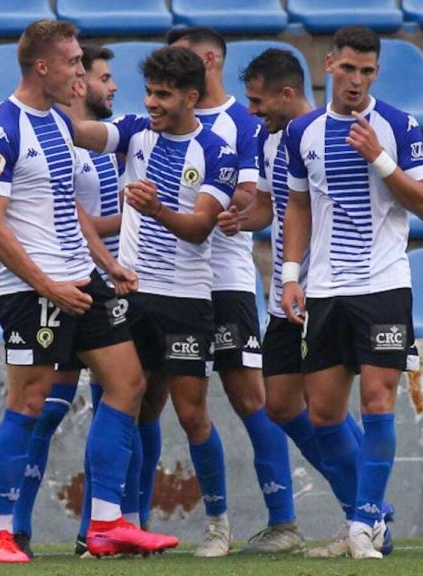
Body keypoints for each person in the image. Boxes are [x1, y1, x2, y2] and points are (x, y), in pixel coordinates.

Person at [0, 21, 178, 563]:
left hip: (80, 280)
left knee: (128, 383)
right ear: (43, 68)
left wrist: (106, 264)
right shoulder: (1, 129)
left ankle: (107, 524)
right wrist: (48, 285)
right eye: (73, 65)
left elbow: (72, 209)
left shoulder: (61, 127)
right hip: (31, 287)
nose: (82, 76)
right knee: (29, 402)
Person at [225, 47, 396, 557]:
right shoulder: (272, 137)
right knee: (281, 404)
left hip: (330, 291)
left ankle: (364, 514)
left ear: (286, 92)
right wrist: (240, 217)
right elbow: (274, 209)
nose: (252, 111)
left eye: (258, 101)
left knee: (328, 407)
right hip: (286, 293)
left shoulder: (327, 134)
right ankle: (368, 509)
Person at [71, 45, 240, 558]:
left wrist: (157, 208)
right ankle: (115, 525)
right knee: (129, 402)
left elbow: (199, 229)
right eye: (148, 92)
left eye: (163, 95)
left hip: (186, 300)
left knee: (191, 415)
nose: (152, 103)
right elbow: (82, 132)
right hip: (133, 293)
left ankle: (217, 523)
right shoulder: (134, 131)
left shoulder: (217, 150)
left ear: (191, 97)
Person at [280, 25, 423, 560]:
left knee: (376, 402)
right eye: (348, 68)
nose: (356, 80)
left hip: (383, 286)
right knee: (322, 414)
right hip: (324, 290)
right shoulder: (302, 131)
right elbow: (297, 206)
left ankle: (366, 523)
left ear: (376, 73)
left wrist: (380, 158)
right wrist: (290, 274)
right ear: (329, 66)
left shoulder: (396, 125)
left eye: (367, 71)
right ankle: (362, 519)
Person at [156, 26, 303, 556]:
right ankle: (212, 525)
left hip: (226, 279)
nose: (176, 70)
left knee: (250, 398)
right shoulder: (162, 116)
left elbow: (253, 199)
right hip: (169, 283)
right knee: (178, 406)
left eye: (185, 58)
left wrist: (240, 211)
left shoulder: (244, 121)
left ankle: (283, 521)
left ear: (211, 59)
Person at [7, 43, 139, 558]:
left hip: (100, 280)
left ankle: (107, 525)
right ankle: (15, 524)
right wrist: (129, 222)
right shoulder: (57, 138)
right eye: (100, 76)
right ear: (78, 84)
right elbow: (70, 217)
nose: (109, 85)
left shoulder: (109, 140)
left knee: (128, 392)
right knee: (45, 406)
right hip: (65, 280)